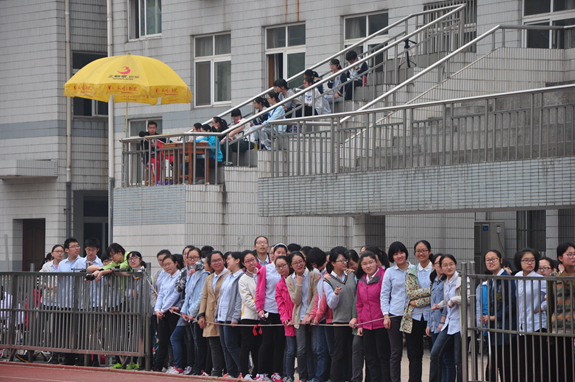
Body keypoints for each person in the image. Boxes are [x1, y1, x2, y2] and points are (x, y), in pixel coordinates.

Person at [380, 241, 414, 382]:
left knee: (413, 352)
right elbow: (384, 294)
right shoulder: (389, 272)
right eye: (395, 253)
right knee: (396, 352)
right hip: (394, 315)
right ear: (391, 256)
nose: (399, 256)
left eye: (401, 252)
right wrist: (386, 315)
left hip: (412, 314)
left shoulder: (414, 269)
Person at [400, 240, 433, 382]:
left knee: (436, 353)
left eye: (424, 250)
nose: (421, 253)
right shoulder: (411, 271)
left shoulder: (436, 269)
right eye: (418, 251)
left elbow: (437, 294)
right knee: (414, 354)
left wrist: (418, 301)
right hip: (414, 317)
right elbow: (410, 294)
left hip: (432, 316)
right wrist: (429, 293)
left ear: (429, 252)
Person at [285, 251, 320, 382]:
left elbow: (316, 296)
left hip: (314, 315)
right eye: (295, 263)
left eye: (300, 261)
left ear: (305, 261)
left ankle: (315, 376)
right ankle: (303, 377)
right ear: (291, 265)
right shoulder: (290, 279)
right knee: (301, 349)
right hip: (298, 317)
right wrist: (298, 283)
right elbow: (296, 300)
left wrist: (309, 314)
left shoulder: (314, 274)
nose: (299, 264)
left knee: (315, 348)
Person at [355, 250, 390, 382]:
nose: (368, 266)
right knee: (370, 357)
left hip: (382, 323)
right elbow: (359, 304)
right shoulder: (362, 280)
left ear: (376, 261)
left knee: (383, 356)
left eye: (370, 262)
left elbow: (388, 298)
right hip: (367, 325)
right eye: (364, 264)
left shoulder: (384, 276)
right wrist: (360, 323)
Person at [483, 249, 517, 382]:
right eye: (488, 260)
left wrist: (495, 316)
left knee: (505, 364)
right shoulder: (491, 279)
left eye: (493, 259)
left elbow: (512, 303)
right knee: (493, 362)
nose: (491, 262)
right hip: (493, 329)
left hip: (506, 328)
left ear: (500, 261)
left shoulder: (507, 279)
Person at [429, 254, 465, 382]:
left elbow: (470, 298)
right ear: (440, 267)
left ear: (455, 264)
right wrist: (439, 305)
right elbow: (446, 300)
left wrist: (454, 300)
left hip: (460, 324)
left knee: (459, 361)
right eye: (445, 265)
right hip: (449, 324)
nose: (449, 267)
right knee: (435, 354)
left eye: (451, 264)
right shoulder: (446, 281)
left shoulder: (462, 279)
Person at [256, 243, 288, 382]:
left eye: (283, 252)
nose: (279, 254)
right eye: (277, 252)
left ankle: (277, 372)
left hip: (284, 312)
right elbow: (259, 290)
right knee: (267, 342)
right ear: (272, 254)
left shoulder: (289, 270)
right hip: (269, 310)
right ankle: (262, 372)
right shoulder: (265, 269)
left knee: (280, 343)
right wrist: (260, 308)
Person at [324, 247, 356, 382]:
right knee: (339, 353)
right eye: (341, 260)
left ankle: (350, 378)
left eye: (345, 260)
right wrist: (336, 294)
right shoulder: (328, 280)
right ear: (333, 263)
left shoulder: (352, 276)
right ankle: (336, 379)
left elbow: (356, 295)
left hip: (354, 320)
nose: (344, 263)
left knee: (352, 353)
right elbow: (331, 305)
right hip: (340, 321)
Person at [514, 248, 547, 382]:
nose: (529, 263)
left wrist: (542, 307)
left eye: (532, 260)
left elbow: (550, 297)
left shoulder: (540, 279)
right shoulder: (516, 277)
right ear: (519, 262)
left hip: (537, 324)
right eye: (526, 260)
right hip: (520, 324)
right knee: (522, 360)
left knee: (537, 360)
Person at [547, 242, 575, 381]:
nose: (573, 257)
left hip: (573, 325)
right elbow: (551, 303)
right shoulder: (553, 276)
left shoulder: (567, 275)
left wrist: (564, 273)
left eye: (574, 254)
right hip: (559, 326)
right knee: (561, 366)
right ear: (560, 258)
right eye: (569, 254)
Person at [198, 251, 228, 377]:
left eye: (219, 259)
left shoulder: (229, 275)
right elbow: (204, 297)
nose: (217, 263)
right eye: (213, 261)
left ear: (224, 260)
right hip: (210, 316)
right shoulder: (209, 278)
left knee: (227, 345)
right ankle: (216, 371)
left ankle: (229, 371)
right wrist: (201, 315)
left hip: (224, 316)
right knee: (214, 346)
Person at [180, 247, 209, 375]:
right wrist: (184, 311)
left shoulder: (204, 274)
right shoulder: (190, 275)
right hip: (190, 313)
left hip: (198, 314)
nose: (192, 260)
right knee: (194, 341)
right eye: (189, 257)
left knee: (199, 343)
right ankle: (195, 366)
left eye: (195, 257)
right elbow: (187, 295)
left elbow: (201, 296)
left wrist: (192, 312)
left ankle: (199, 367)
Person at [427, 254, 455, 382]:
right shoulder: (434, 280)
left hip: (444, 324)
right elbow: (432, 303)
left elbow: (447, 303)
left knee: (446, 358)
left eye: (442, 263)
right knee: (438, 358)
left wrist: (442, 320)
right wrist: (429, 324)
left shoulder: (447, 281)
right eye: (438, 263)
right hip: (433, 323)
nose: (440, 266)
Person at [216, 252, 244, 378]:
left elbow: (239, 299)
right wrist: (217, 314)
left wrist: (235, 317)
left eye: (229, 259)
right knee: (225, 346)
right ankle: (231, 371)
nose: (227, 262)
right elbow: (221, 297)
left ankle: (244, 369)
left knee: (231, 344)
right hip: (222, 316)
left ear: (237, 260)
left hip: (231, 316)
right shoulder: (228, 276)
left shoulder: (241, 277)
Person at [153, 254, 182, 373]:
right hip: (163, 312)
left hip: (173, 312)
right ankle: (158, 365)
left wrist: (163, 309)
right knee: (163, 339)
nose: (167, 267)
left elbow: (175, 295)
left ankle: (175, 364)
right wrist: (157, 310)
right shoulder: (166, 278)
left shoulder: (180, 276)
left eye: (169, 264)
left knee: (174, 340)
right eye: (164, 265)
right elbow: (161, 295)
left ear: (175, 263)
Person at [308, 247, 332, 382]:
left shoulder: (328, 274)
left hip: (327, 318)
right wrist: (313, 314)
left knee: (330, 351)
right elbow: (317, 296)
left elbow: (325, 299)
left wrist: (317, 316)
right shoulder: (321, 274)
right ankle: (320, 377)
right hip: (320, 318)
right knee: (321, 350)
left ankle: (329, 377)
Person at [238, 251, 262, 380]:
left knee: (257, 345)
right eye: (247, 261)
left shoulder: (262, 273)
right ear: (243, 263)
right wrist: (260, 309)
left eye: (252, 259)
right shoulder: (243, 279)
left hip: (262, 316)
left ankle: (257, 372)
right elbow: (247, 299)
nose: (251, 263)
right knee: (246, 345)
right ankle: (244, 372)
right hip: (249, 316)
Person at [275, 254, 297, 382]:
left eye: (283, 265)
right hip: (288, 322)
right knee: (290, 350)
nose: (281, 268)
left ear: (289, 264)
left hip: (299, 319)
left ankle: (306, 376)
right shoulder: (279, 285)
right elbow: (280, 304)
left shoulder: (296, 279)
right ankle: (288, 375)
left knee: (302, 350)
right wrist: (285, 318)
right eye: (278, 267)